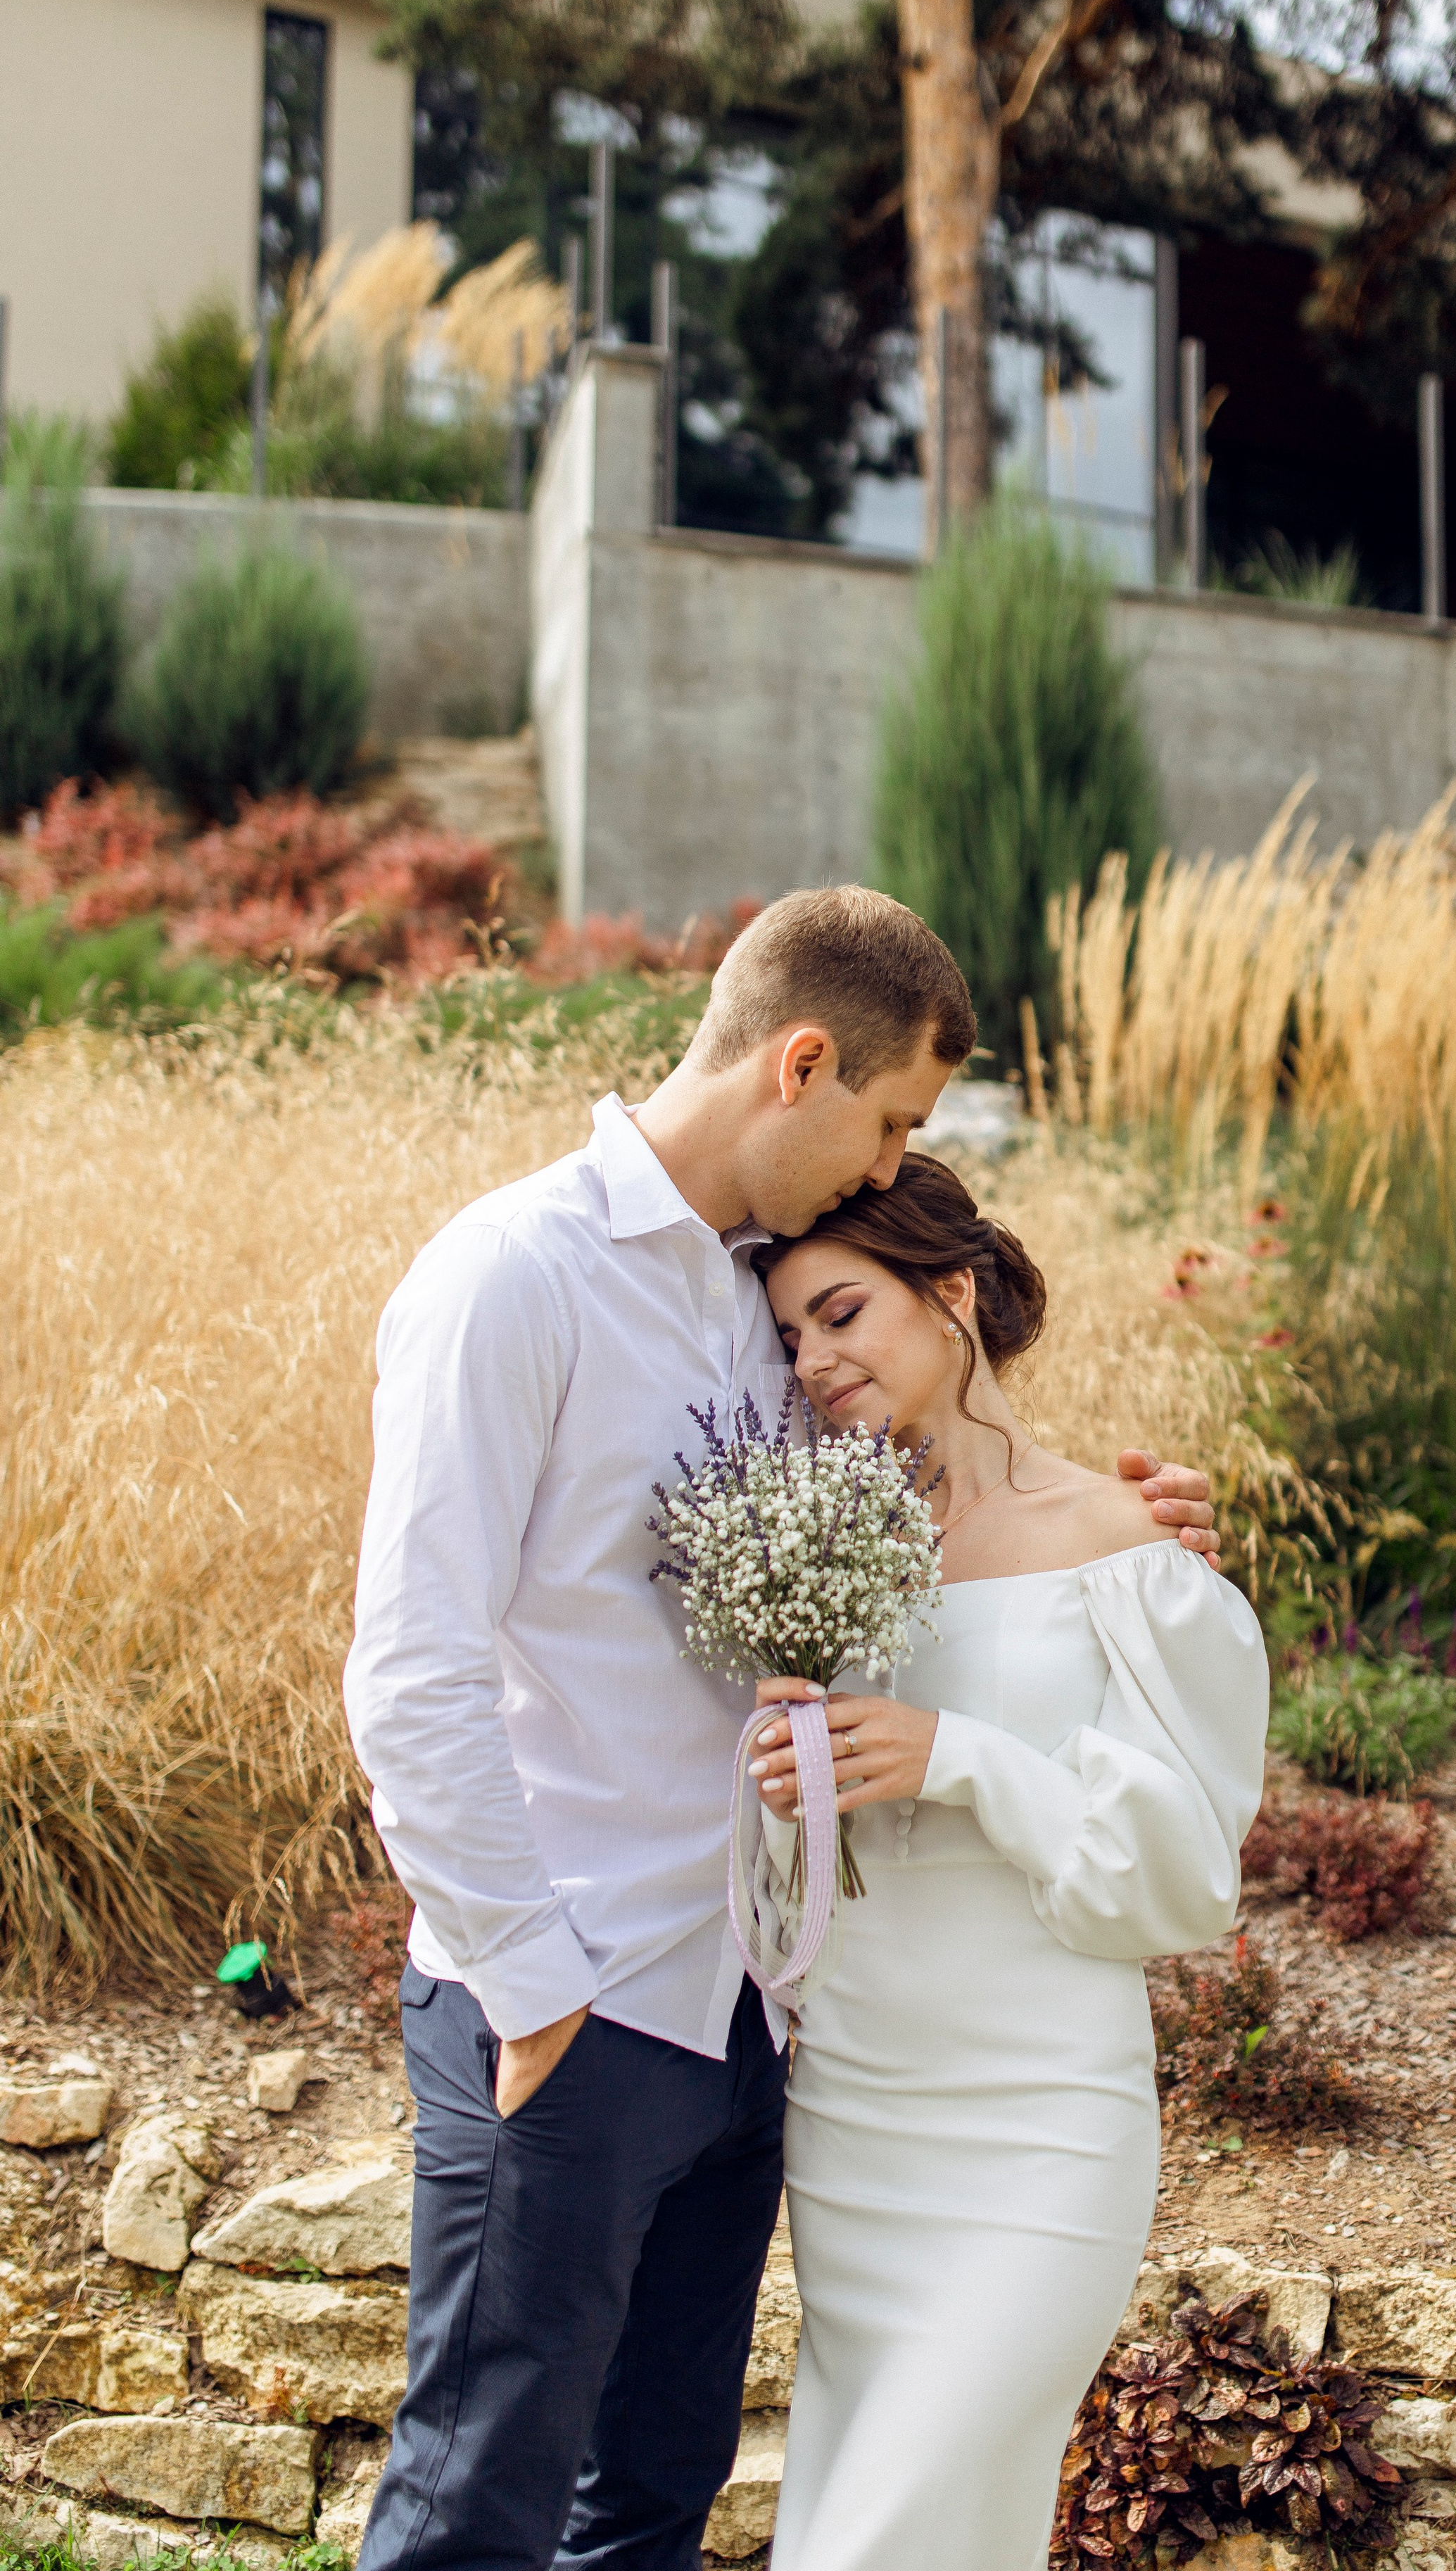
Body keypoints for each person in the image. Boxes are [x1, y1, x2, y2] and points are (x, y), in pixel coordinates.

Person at [341, 884, 1225, 2571]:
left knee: (646, 2510)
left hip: (741, 2025)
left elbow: (932, 1458)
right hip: (571, 2003)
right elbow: (410, 1670)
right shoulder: (510, 1279)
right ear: (800, 1062)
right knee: (475, 2509)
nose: (888, 1168)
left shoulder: (765, 1292)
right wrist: (531, 1995)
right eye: (888, 1118)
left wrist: (1133, 1523)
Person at [746, 1151, 1270, 2571]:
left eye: (841, 1314)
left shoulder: (1124, 1546)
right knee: (876, 2522)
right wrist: (774, 1788)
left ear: (952, 1293)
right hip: (857, 2108)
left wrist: (956, 1759)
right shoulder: (817, 1548)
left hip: (1039, 2120)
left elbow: (1175, 1875)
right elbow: (796, 1868)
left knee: (897, 2524)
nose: (812, 1360)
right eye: (789, 1335)